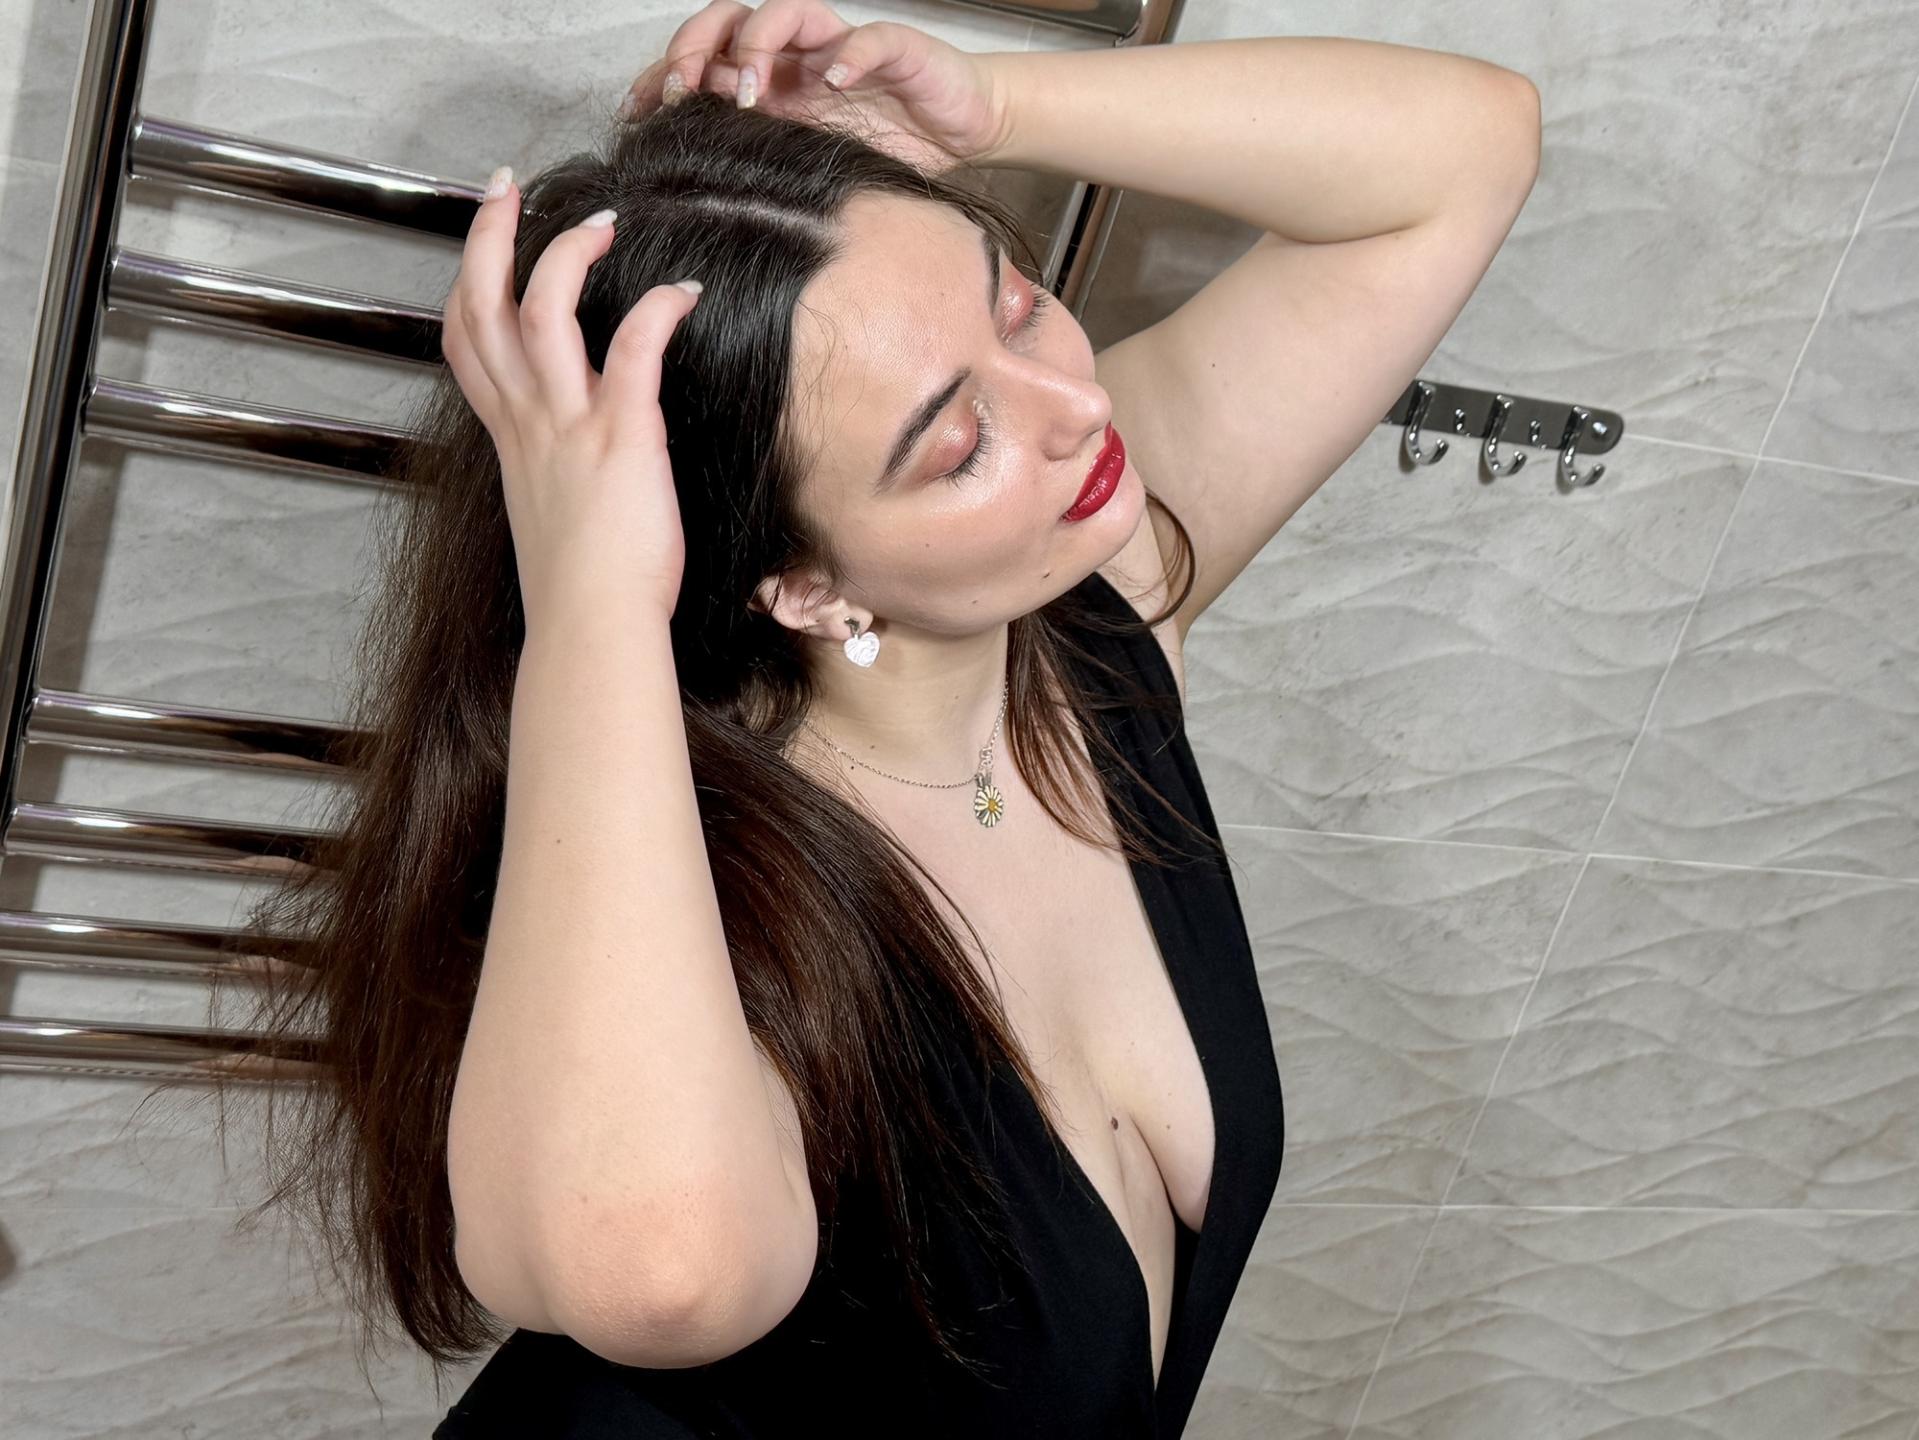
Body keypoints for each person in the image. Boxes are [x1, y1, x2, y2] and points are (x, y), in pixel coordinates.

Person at [205, 5, 1539, 1436]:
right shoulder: (681, 884)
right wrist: (592, 596)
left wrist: (992, 111)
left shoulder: (1090, 621)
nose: (1075, 405)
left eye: (1016, 302)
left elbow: (1464, 151)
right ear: (799, 582)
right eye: (957, 443)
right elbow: (656, 1278)